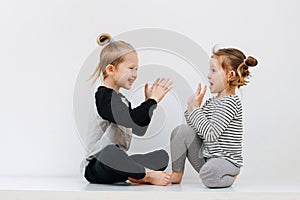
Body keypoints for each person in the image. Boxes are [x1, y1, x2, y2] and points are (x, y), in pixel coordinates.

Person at [81, 33, 173, 186]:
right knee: (111, 153)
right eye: (131, 68)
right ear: (111, 69)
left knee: (161, 157)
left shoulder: (122, 100)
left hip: (119, 163)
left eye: (136, 69)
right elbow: (131, 118)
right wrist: (152, 101)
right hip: (97, 165)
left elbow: (138, 128)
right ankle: (145, 175)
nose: (135, 75)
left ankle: (132, 172)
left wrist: (149, 103)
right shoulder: (104, 97)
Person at [169, 47, 258, 188]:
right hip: (207, 158)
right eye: (209, 70)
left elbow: (210, 134)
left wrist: (196, 110)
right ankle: (177, 174)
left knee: (208, 174)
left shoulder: (231, 103)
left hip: (226, 161)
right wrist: (191, 108)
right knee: (181, 132)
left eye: (213, 71)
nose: (208, 75)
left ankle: (230, 177)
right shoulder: (212, 102)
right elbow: (196, 130)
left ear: (230, 75)